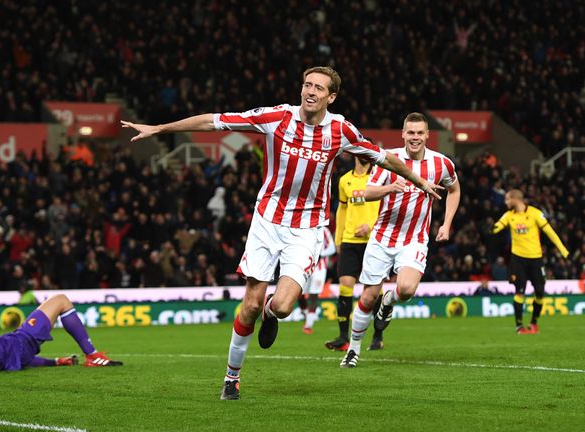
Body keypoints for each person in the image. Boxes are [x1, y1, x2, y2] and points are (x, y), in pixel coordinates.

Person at [121, 66, 443, 400]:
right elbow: (214, 121)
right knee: (249, 305)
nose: (311, 91)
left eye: (319, 87)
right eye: (307, 85)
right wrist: (159, 128)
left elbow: (385, 158)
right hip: (267, 221)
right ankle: (232, 377)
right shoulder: (276, 117)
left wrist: (419, 181)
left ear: (331, 96)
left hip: (306, 229)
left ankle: (272, 314)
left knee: (284, 305)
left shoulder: (340, 129)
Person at [340, 112, 461, 368]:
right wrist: (389, 188)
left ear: (427, 135)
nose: (415, 137)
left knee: (405, 290)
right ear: (403, 134)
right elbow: (366, 192)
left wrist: (447, 223)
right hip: (382, 237)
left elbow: (454, 189)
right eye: (411, 132)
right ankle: (353, 348)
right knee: (367, 297)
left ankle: (390, 300)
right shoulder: (389, 160)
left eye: (420, 133)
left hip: (414, 239)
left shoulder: (442, 164)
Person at [324, 154, 386, 352]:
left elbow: (387, 208)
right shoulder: (344, 180)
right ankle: (343, 337)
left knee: (374, 290)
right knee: (345, 285)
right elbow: (342, 209)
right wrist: (338, 238)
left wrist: (371, 226)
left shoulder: (379, 178)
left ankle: (378, 335)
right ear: (356, 155)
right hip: (350, 240)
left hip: (373, 241)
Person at [491, 189, 569, 334]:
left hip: (535, 259)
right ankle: (519, 326)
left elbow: (550, 232)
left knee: (540, 292)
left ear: (515, 199)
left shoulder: (534, 213)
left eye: (508, 199)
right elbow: (497, 227)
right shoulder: (509, 216)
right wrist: (491, 228)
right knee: (519, 291)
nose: (506, 202)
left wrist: (562, 249)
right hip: (518, 259)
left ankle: (533, 323)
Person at [298, 226, 335, 334]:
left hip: (320, 269)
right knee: (298, 293)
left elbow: (332, 248)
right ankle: (306, 315)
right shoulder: (304, 228)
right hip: (304, 265)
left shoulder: (324, 230)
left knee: (314, 295)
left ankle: (308, 326)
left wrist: (321, 254)